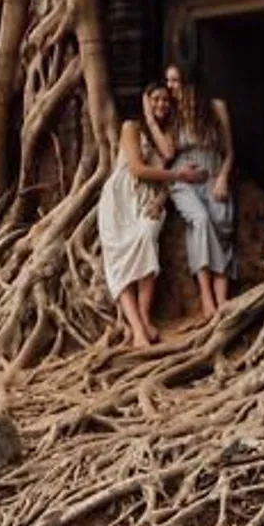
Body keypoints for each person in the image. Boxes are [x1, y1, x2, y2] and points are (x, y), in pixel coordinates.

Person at [97, 83, 207, 350]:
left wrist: (161, 199)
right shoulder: (130, 127)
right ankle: (138, 330)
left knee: (147, 241)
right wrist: (179, 175)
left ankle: (144, 318)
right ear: (145, 100)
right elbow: (137, 169)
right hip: (120, 201)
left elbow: (168, 156)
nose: (161, 104)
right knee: (119, 263)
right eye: (155, 99)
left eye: (165, 101)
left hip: (150, 200)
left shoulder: (167, 135)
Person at [161, 62, 237, 318]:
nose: (169, 87)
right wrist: (150, 118)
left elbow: (229, 152)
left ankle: (222, 298)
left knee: (221, 225)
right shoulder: (171, 113)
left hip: (213, 175)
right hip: (184, 180)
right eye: (168, 81)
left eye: (174, 81)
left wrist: (223, 178)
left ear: (188, 81)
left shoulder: (216, 108)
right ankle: (206, 296)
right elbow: (168, 153)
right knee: (200, 221)